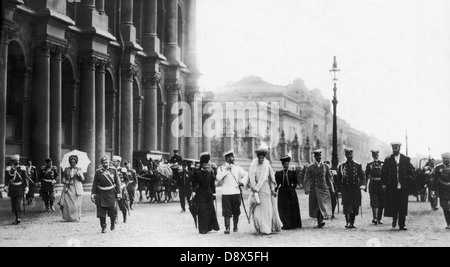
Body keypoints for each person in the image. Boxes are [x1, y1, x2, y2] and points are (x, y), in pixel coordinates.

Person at [247, 146, 282, 235]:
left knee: (266, 211)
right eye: (260, 157)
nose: (261, 159)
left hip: (265, 190)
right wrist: (251, 185)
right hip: (256, 191)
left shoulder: (267, 165)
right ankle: (259, 228)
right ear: (257, 157)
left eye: (263, 157)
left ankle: (266, 228)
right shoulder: (253, 165)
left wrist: (273, 189)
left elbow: (272, 179)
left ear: (265, 157)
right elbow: (249, 176)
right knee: (257, 210)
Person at [381, 142, 415, 231]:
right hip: (392, 185)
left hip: (403, 186)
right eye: (393, 148)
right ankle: (394, 218)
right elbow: (384, 172)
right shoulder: (388, 159)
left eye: (396, 148)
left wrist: (409, 181)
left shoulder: (406, 159)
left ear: (399, 149)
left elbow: (410, 171)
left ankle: (402, 224)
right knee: (394, 204)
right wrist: (384, 183)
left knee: (403, 205)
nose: (394, 150)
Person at [216, 150, 249, 234]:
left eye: (233, 157)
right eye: (231, 157)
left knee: (236, 210)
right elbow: (218, 177)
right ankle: (227, 228)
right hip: (226, 192)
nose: (233, 158)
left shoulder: (237, 167)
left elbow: (246, 174)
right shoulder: (221, 168)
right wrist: (226, 169)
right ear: (227, 158)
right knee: (226, 211)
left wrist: (241, 182)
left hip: (236, 191)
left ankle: (235, 226)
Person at [336, 149, 366, 229]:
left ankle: (352, 222)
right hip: (346, 189)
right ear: (346, 156)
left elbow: (362, 176)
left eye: (350, 154)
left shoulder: (357, 165)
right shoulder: (342, 166)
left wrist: (363, 184)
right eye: (347, 155)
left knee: (355, 206)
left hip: (355, 189)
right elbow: (338, 179)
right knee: (347, 207)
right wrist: (338, 190)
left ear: (352, 155)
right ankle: (347, 222)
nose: (349, 156)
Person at [191, 152, 220, 234]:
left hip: (208, 194)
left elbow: (212, 184)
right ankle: (203, 229)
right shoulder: (197, 173)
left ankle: (209, 227)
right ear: (201, 164)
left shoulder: (210, 173)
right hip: (200, 193)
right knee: (202, 211)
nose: (205, 165)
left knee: (209, 210)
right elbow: (193, 182)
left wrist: (214, 193)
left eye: (206, 164)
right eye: (204, 164)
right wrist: (193, 191)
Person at [304, 149, 334, 228]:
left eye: (320, 156)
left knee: (323, 205)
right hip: (314, 189)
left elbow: (329, 178)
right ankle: (319, 221)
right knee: (316, 206)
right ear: (315, 157)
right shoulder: (310, 167)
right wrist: (307, 188)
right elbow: (307, 178)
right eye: (317, 156)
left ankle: (320, 220)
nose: (319, 157)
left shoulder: (325, 166)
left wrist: (332, 189)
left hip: (323, 189)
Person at [92, 156, 122, 234]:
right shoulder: (98, 172)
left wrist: (119, 193)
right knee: (101, 214)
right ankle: (103, 227)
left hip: (111, 194)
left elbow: (117, 183)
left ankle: (112, 222)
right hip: (101, 194)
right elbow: (95, 183)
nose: (105, 164)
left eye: (106, 162)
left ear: (109, 162)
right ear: (101, 163)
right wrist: (93, 194)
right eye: (103, 163)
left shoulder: (113, 170)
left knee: (113, 212)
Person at [275, 155, 302, 230]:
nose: (286, 165)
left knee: (291, 208)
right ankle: (285, 224)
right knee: (283, 208)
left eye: (287, 164)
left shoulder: (292, 173)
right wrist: (275, 190)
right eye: (285, 164)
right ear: (282, 165)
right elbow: (277, 184)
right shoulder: (279, 173)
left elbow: (296, 182)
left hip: (291, 192)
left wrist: (293, 188)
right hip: (282, 193)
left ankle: (293, 224)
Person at [4, 155, 29, 224]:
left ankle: (18, 218)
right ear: (12, 161)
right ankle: (16, 217)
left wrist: (26, 187)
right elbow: (6, 179)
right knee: (14, 204)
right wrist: (6, 186)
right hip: (12, 188)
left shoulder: (22, 168)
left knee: (18, 203)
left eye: (18, 160)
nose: (17, 162)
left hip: (20, 188)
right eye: (15, 161)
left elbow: (24, 179)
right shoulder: (9, 169)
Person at [59, 155, 85, 222]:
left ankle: (77, 217)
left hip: (76, 188)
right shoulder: (66, 169)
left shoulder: (79, 169)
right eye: (71, 162)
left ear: (76, 162)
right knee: (67, 203)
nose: (72, 163)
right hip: (68, 187)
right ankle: (68, 217)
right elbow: (64, 177)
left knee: (76, 204)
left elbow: (82, 179)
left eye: (74, 162)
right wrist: (64, 180)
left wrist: (80, 176)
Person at [365, 150, 386, 225]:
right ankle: (375, 218)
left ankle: (379, 218)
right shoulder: (369, 165)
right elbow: (366, 176)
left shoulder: (383, 164)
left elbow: (385, 175)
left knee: (381, 202)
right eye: (374, 155)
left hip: (381, 185)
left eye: (377, 154)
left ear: (378, 155)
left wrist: (385, 184)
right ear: (372, 156)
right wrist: (365, 186)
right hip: (373, 185)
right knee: (374, 202)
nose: (376, 156)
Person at [433, 152, 450, 229]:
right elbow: (434, 180)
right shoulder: (438, 167)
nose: (447, 160)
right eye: (445, 158)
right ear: (442, 159)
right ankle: (448, 223)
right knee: (445, 207)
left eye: (448, 158)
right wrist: (433, 192)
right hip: (442, 190)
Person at [112, 156, 130, 223]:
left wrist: (122, 186)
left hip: (121, 190)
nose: (113, 162)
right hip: (113, 189)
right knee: (113, 205)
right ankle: (115, 218)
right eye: (113, 161)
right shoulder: (111, 170)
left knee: (121, 205)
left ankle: (124, 216)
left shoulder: (123, 170)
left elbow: (127, 181)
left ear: (118, 162)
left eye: (114, 161)